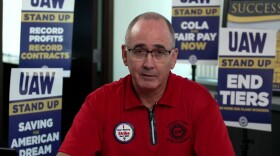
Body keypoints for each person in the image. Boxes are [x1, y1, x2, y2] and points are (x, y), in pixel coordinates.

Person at [57, 12, 235, 156]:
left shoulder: (200, 101)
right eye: (140, 51)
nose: (149, 63)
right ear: (125, 55)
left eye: (159, 52)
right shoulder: (99, 102)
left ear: (173, 58)